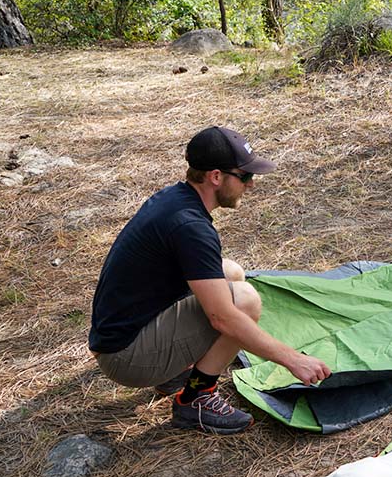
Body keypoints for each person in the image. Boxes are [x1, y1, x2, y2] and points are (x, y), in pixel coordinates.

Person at [88, 126, 331, 434]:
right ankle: (196, 398)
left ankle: (176, 371)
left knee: (231, 272)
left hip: (122, 332)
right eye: (244, 176)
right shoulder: (191, 227)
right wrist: (293, 359)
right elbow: (223, 319)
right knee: (244, 301)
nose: (251, 185)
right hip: (124, 357)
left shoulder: (176, 198)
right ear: (216, 177)